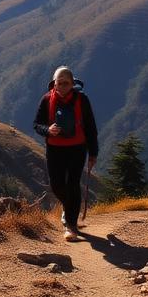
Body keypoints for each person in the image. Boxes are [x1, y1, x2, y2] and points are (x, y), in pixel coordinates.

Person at [33, 65, 98, 241]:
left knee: (73, 184)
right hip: (54, 149)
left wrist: (93, 153)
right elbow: (37, 124)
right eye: (59, 83)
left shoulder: (82, 100)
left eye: (66, 83)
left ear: (72, 84)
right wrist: (48, 130)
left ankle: (71, 226)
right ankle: (68, 209)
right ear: (54, 83)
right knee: (56, 185)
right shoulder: (47, 99)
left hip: (78, 149)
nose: (62, 87)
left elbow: (91, 127)